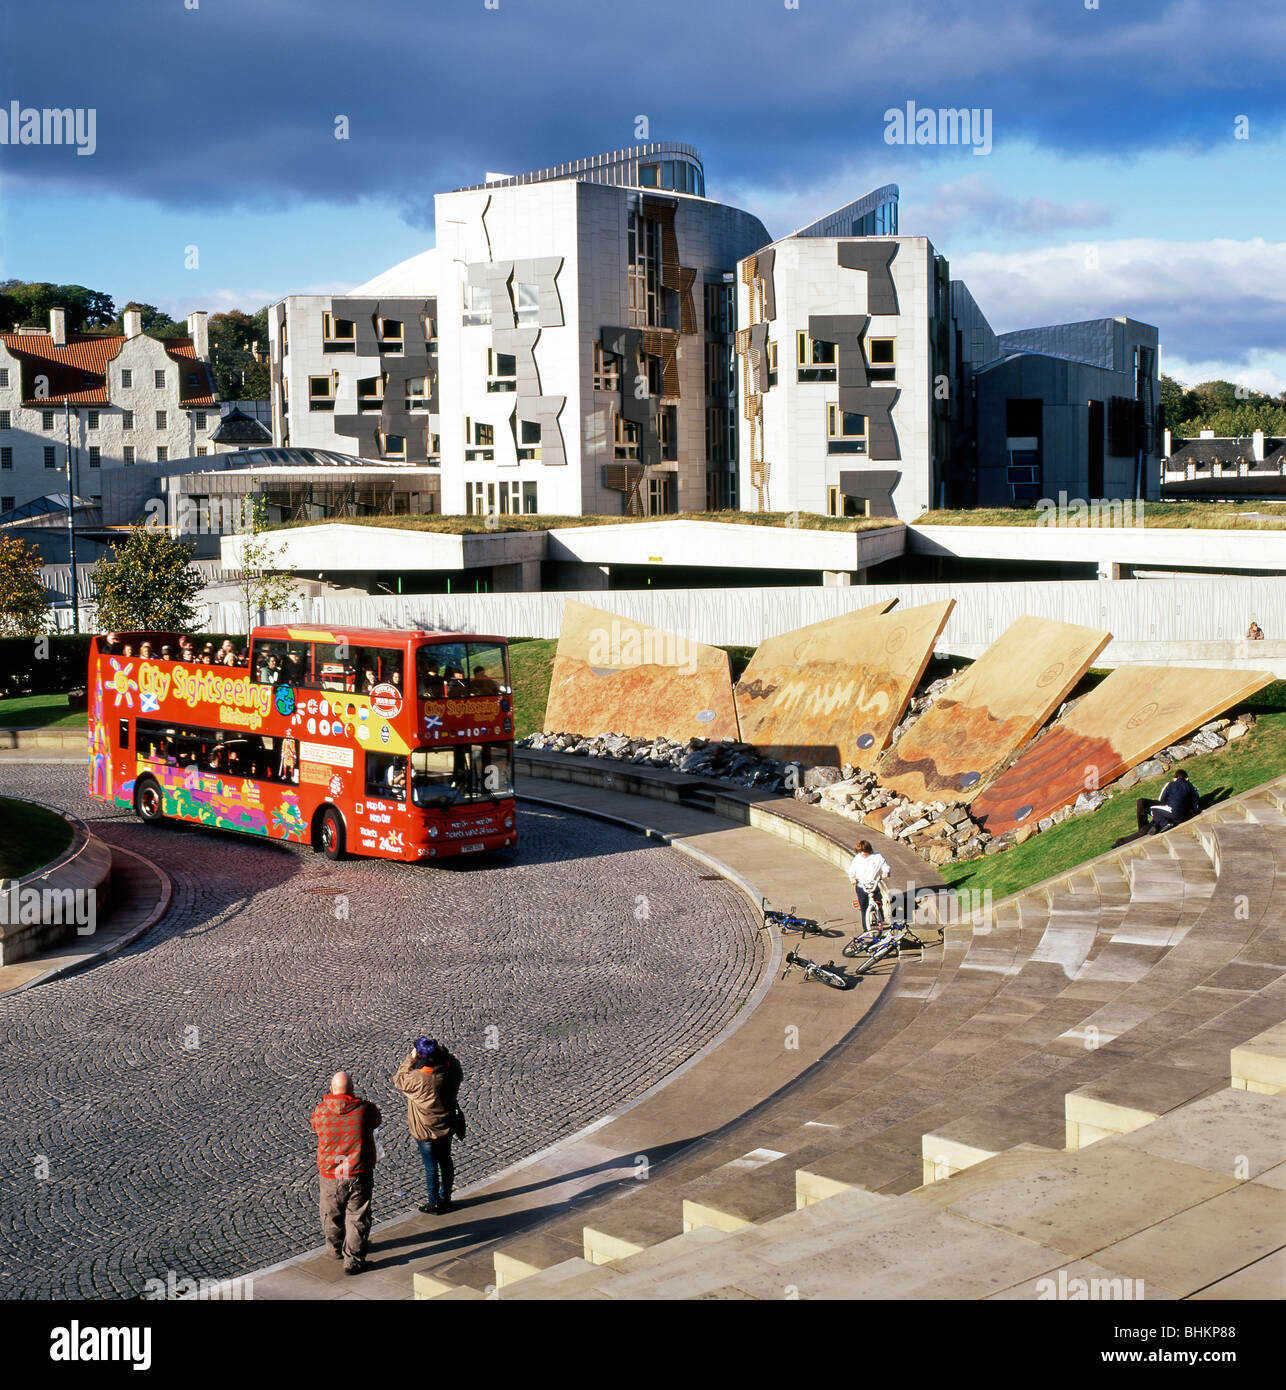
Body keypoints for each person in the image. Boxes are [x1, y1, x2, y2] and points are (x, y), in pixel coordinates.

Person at [309, 1071, 382, 1276]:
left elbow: (315, 1127)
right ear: (351, 1090)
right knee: (357, 1216)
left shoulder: (321, 1112)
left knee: (331, 1214)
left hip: (331, 1173)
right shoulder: (364, 1110)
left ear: (332, 1089)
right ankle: (354, 1260)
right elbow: (377, 1119)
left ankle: (335, 1250)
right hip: (358, 1171)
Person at [394, 1037, 463, 1216]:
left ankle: (434, 1202)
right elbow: (455, 1063)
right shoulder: (450, 1073)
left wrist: (410, 1059)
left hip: (424, 1128)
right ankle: (446, 1198)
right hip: (446, 1124)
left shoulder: (417, 1078)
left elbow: (399, 1079)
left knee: (431, 1166)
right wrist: (444, 1053)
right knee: (446, 1161)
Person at [1137, 768, 1201, 835]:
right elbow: (1195, 799)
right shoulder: (1190, 786)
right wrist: (1196, 810)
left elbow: (1161, 799)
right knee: (1167, 811)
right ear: (1186, 778)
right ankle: (1156, 825)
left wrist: (1166, 804)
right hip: (1185, 814)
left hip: (1174, 812)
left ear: (1175, 778)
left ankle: (1163, 823)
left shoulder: (1170, 784)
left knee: (1153, 809)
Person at [848, 839, 892, 928]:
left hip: (873, 885)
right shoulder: (857, 858)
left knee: (878, 903)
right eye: (860, 852)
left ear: (868, 850)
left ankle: (880, 919)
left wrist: (885, 873)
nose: (861, 854)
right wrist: (852, 878)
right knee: (864, 907)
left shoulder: (877, 857)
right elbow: (852, 870)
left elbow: (886, 867)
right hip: (862, 885)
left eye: (863, 851)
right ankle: (866, 927)